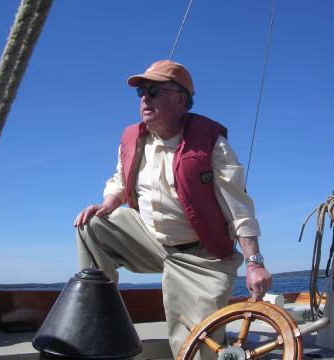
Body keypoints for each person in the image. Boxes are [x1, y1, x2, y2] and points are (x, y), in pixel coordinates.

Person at [74, 60, 272, 359]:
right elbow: (118, 179)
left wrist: (254, 262)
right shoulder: (133, 139)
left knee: (194, 348)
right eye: (141, 92)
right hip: (151, 240)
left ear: (181, 99)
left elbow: (238, 207)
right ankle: (101, 319)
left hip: (200, 256)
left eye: (153, 91)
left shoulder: (211, 144)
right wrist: (109, 202)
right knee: (92, 224)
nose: (144, 99)